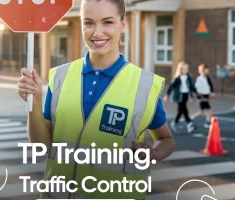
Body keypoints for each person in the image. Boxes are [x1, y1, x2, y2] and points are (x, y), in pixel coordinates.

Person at [18, 0, 174, 199]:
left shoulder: (144, 84)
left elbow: (166, 140)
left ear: (123, 24)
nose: (97, 33)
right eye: (89, 23)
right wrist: (35, 104)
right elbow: (42, 146)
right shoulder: (60, 77)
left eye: (107, 22)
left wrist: (154, 152)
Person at [163, 61, 198, 133]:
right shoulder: (177, 78)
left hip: (185, 95)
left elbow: (191, 86)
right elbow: (171, 87)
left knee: (181, 110)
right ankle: (189, 123)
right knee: (183, 109)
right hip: (179, 96)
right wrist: (167, 95)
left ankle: (175, 122)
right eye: (184, 69)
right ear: (180, 69)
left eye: (186, 68)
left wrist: (197, 92)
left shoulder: (188, 77)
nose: (185, 70)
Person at [192, 64, 215, 128]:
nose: (207, 70)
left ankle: (208, 122)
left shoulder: (207, 77)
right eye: (206, 69)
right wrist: (201, 98)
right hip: (202, 96)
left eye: (207, 69)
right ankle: (191, 118)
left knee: (208, 110)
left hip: (206, 95)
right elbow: (196, 89)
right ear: (202, 70)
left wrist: (211, 93)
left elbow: (210, 86)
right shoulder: (199, 78)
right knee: (203, 111)